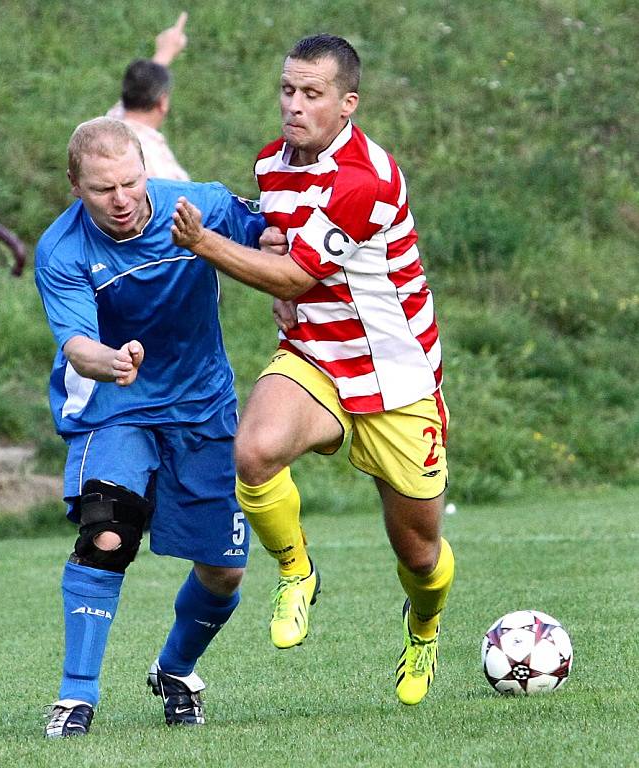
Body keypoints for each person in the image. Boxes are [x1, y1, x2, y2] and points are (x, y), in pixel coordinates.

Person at [170, 34, 455, 707]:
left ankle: (423, 628)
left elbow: (299, 269)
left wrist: (205, 244)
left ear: (347, 103)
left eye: (311, 94)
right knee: (254, 449)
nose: (293, 105)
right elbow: (284, 246)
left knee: (419, 556)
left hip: (395, 378)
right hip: (316, 357)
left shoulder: (364, 179)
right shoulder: (272, 163)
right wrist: (272, 265)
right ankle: (296, 572)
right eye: (287, 90)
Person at [34, 116, 265, 736]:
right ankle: (75, 696)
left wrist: (289, 287)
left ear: (146, 170)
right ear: (75, 185)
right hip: (118, 406)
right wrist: (111, 362)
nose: (121, 200)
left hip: (202, 407)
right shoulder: (64, 250)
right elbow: (78, 345)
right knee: (107, 533)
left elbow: (276, 240)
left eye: (131, 182)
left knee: (224, 572)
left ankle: (175, 669)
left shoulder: (200, 207)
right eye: (103, 188)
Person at [106, 12, 190, 180]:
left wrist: (166, 51)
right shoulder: (158, 165)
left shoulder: (109, 126)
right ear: (162, 102)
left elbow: (142, 84)